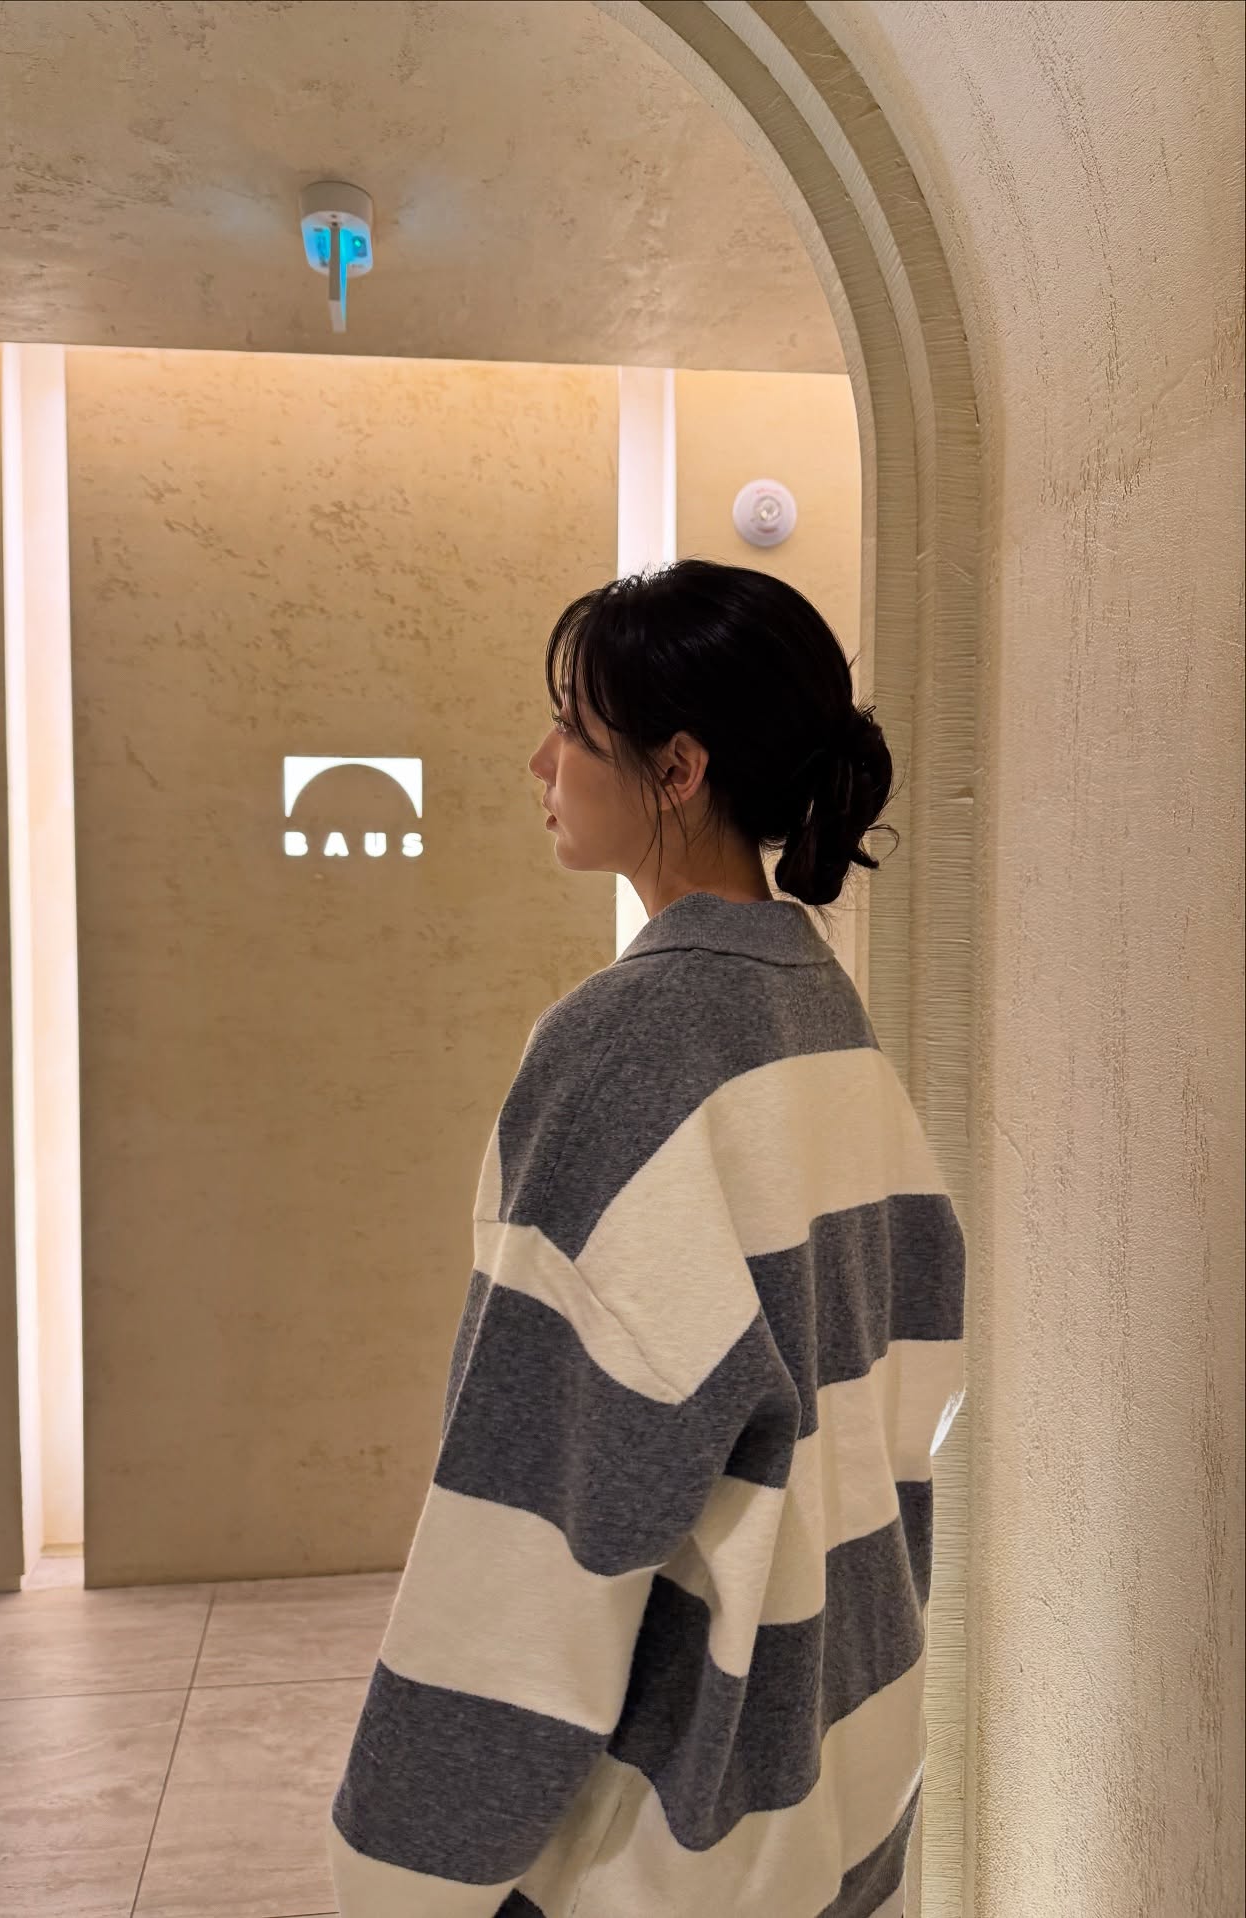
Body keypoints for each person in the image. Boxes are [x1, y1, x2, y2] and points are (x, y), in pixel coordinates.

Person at [328, 558, 967, 1916]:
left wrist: (410, 1869)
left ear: (677, 769)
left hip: (679, 1838)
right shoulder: (822, 1015)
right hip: (841, 1773)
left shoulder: (623, 1048)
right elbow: (907, 1398)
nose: (540, 760)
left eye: (574, 724)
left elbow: (539, 1507)